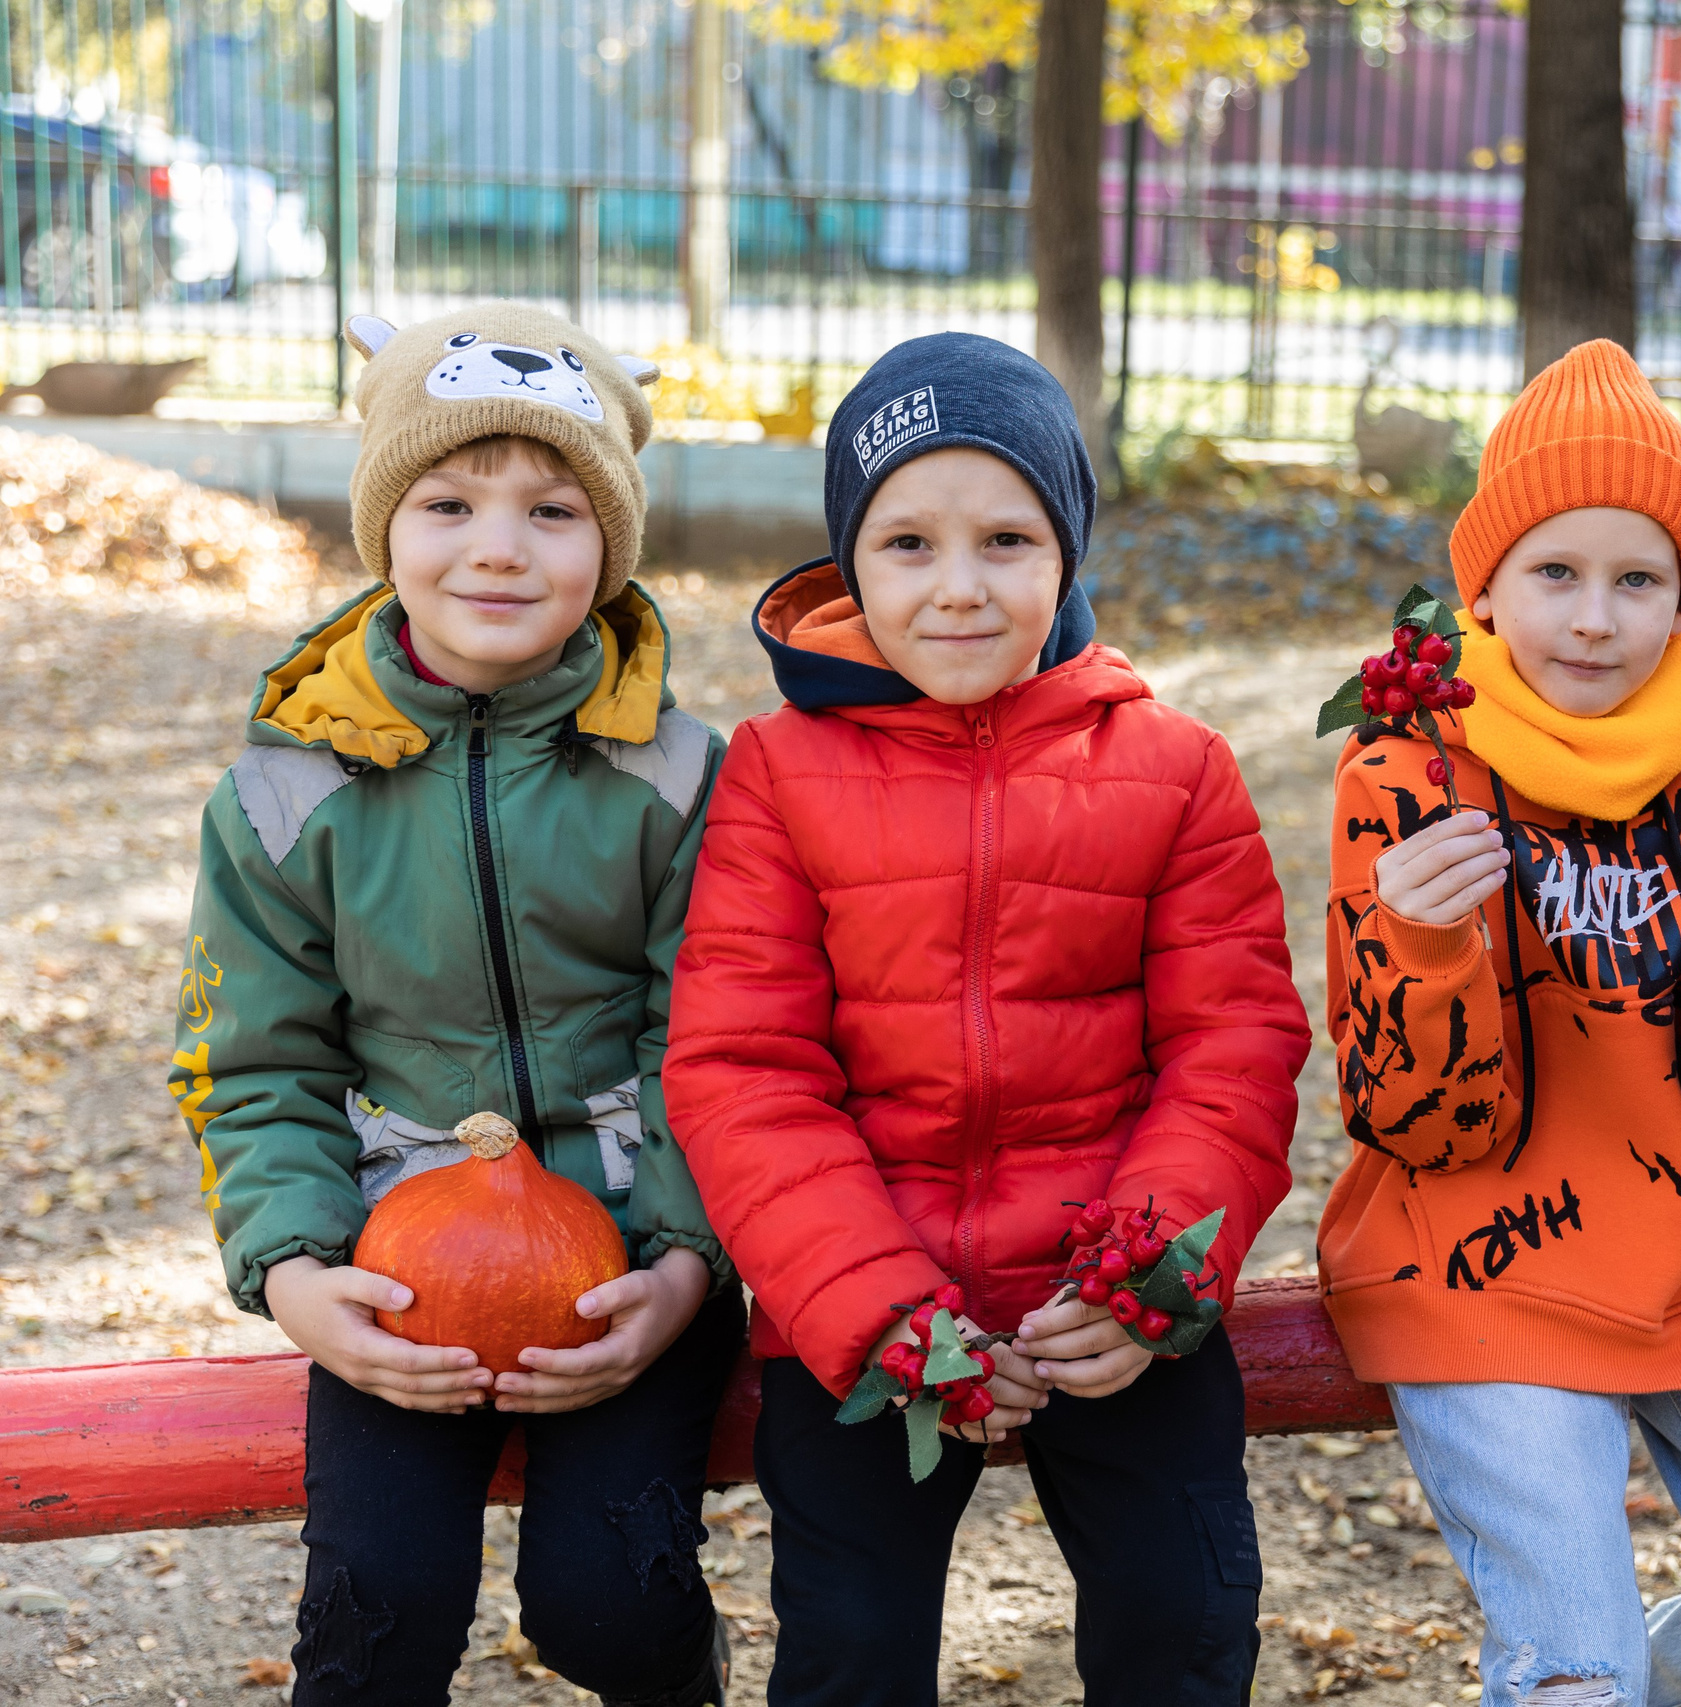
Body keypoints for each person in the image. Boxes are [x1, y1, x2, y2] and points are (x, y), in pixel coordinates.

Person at [662, 331, 1309, 1706]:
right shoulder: (778, 773)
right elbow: (745, 1070)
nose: (958, 588)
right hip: (871, 1304)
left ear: (1068, 551)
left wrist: (1152, 1281)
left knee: (1183, 1623)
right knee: (848, 1651)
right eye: (907, 544)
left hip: (1115, 1286)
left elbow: (1231, 1050)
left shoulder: (1177, 770)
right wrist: (880, 1310)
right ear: (850, 559)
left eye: (1007, 539)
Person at [1317, 338, 1681, 1707]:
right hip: (1484, 1260)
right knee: (1579, 1680)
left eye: (1637, 579)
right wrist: (1422, 942)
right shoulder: (1405, 772)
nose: (1593, 619)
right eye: (1555, 574)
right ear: (1483, 590)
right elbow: (1418, 1120)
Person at [173, 305, 739, 1707]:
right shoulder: (285, 795)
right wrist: (300, 1274)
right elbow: (254, 1064)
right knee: (374, 1622)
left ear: (610, 544)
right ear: (384, 521)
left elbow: (724, 1042)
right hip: (398, 1256)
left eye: (555, 508)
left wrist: (682, 1262)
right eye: (448, 501)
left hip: (627, 1255)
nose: (498, 546)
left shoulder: (676, 780)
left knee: (611, 1607)